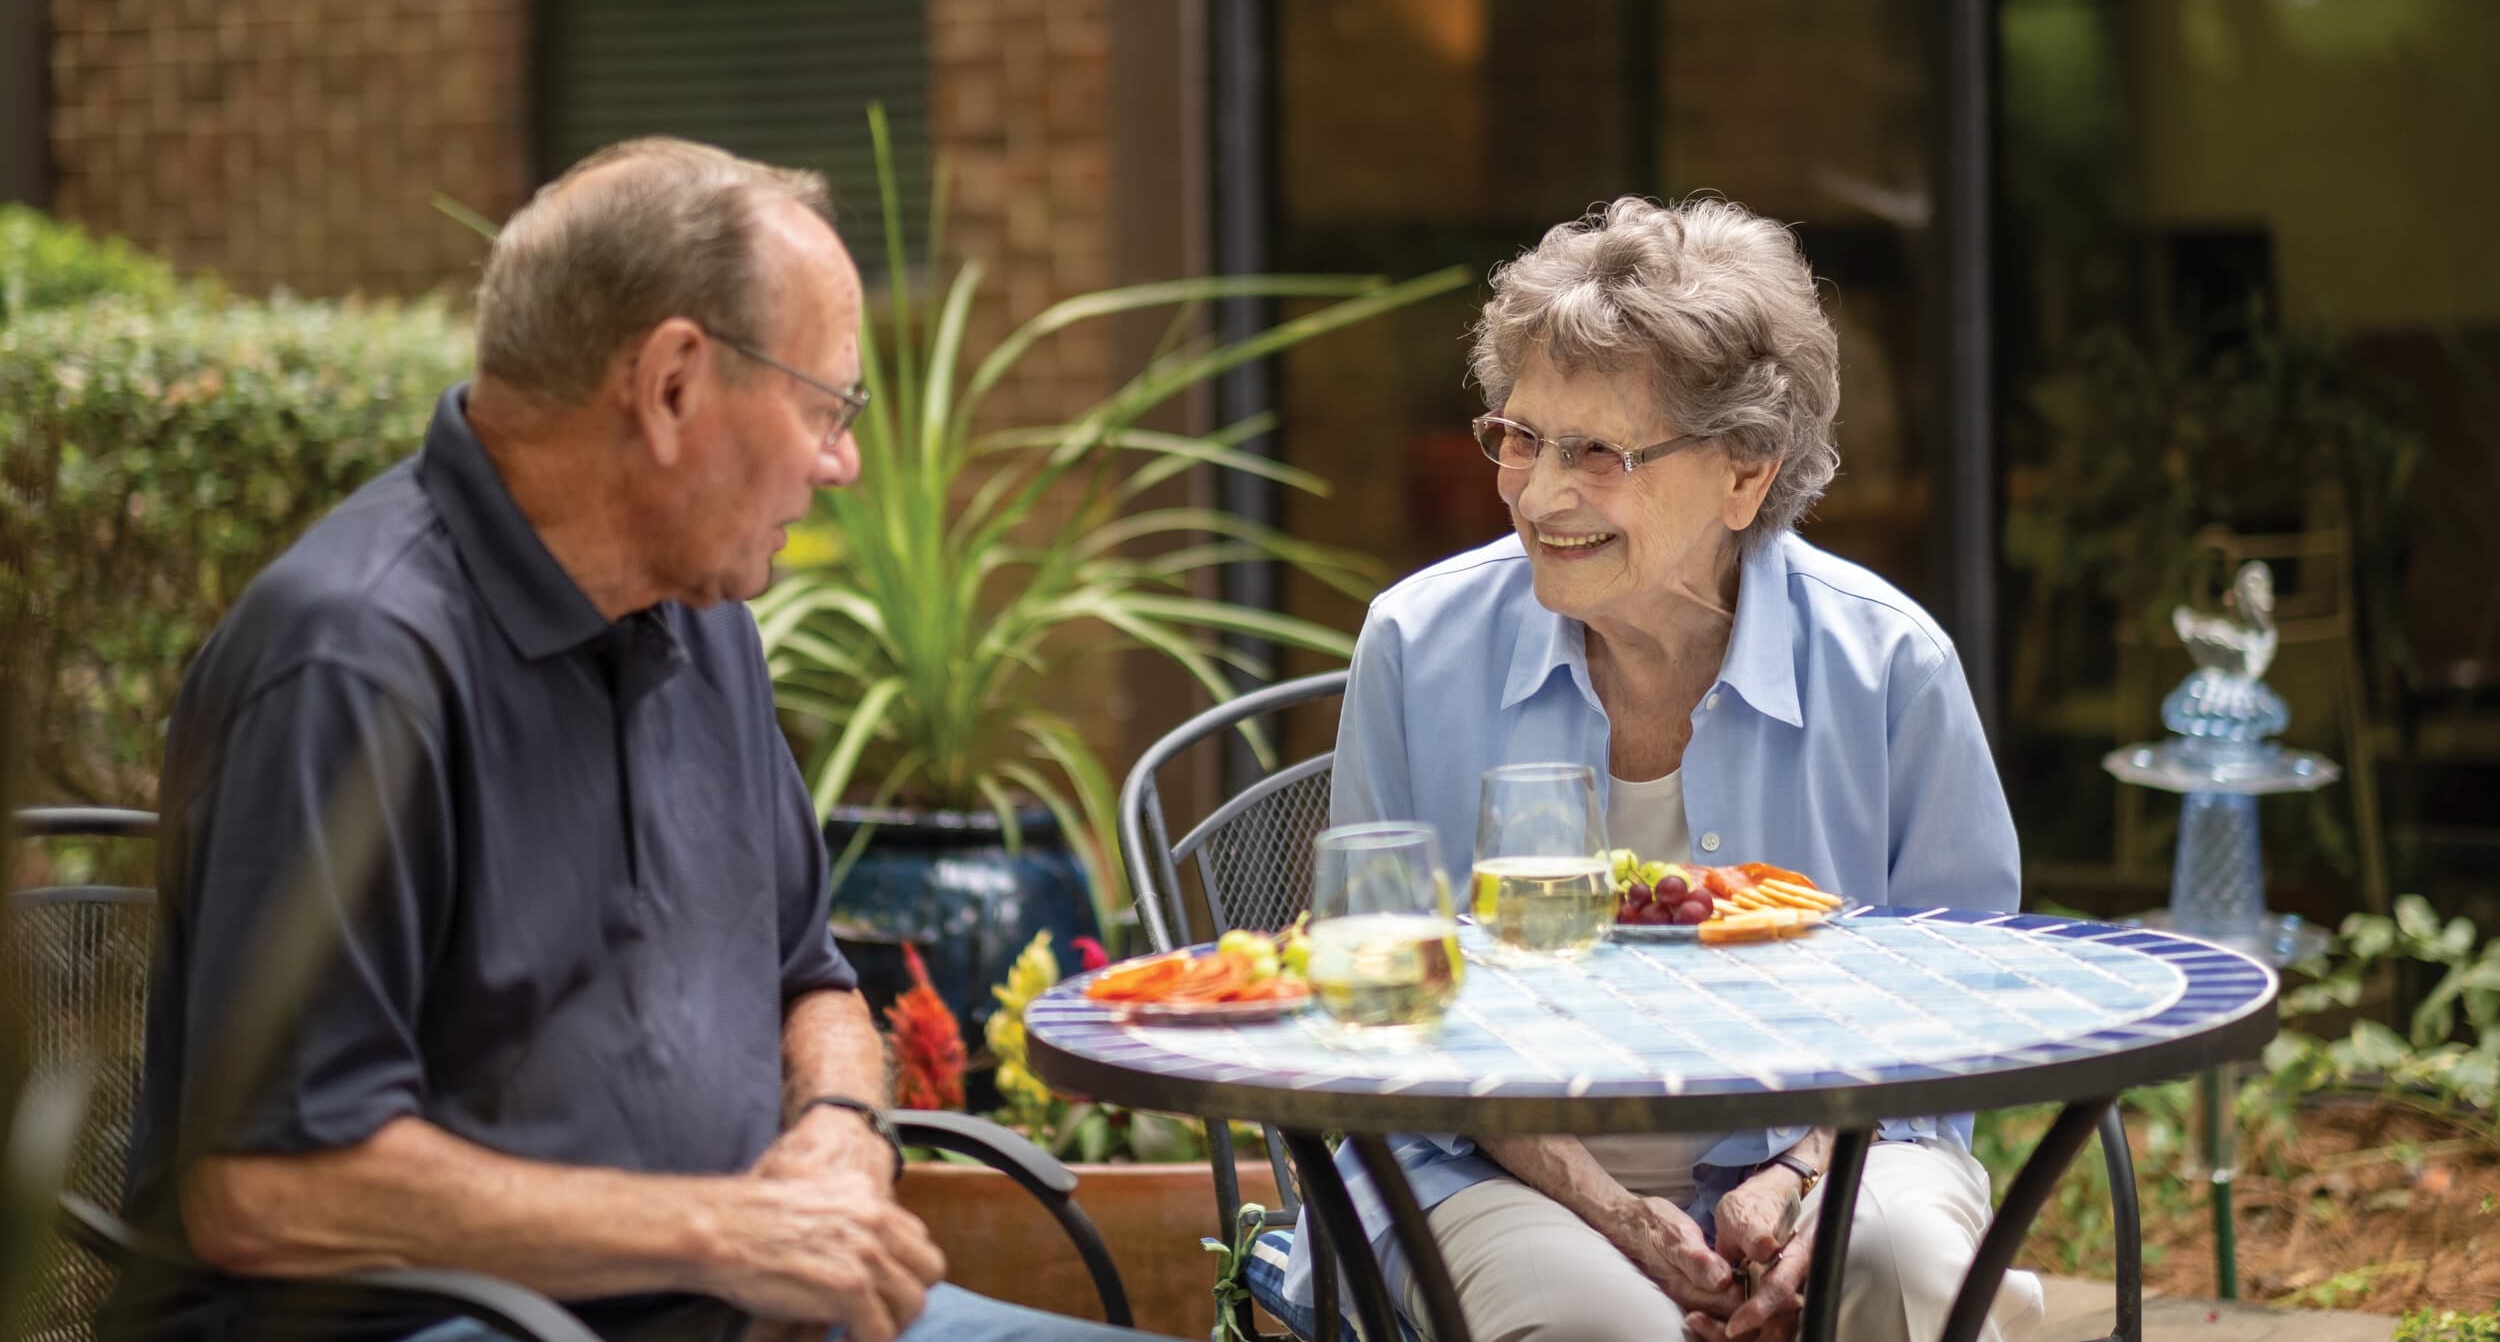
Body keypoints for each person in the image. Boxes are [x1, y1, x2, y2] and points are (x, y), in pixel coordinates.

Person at [113, 139, 1132, 1342]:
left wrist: (839, 1138)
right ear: (672, 388)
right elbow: (268, 1187)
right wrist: (719, 1229)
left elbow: (812, 985)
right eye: (825, 404)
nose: (841, 460)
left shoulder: (701, 617)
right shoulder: (351, 657)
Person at [1281, 197, 2042, 1342]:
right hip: (1488, 1159)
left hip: (1836, 1143)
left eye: (1599, 452)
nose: (1539, 495)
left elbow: (1953, 1001)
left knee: (1897, 1259)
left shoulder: (1885, 662)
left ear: (1745, 471)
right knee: (1601, 1325)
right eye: (1522, 436)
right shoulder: (1417, 644)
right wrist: (1611, 1207)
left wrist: (1797, 1179)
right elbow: (1394, 1018)